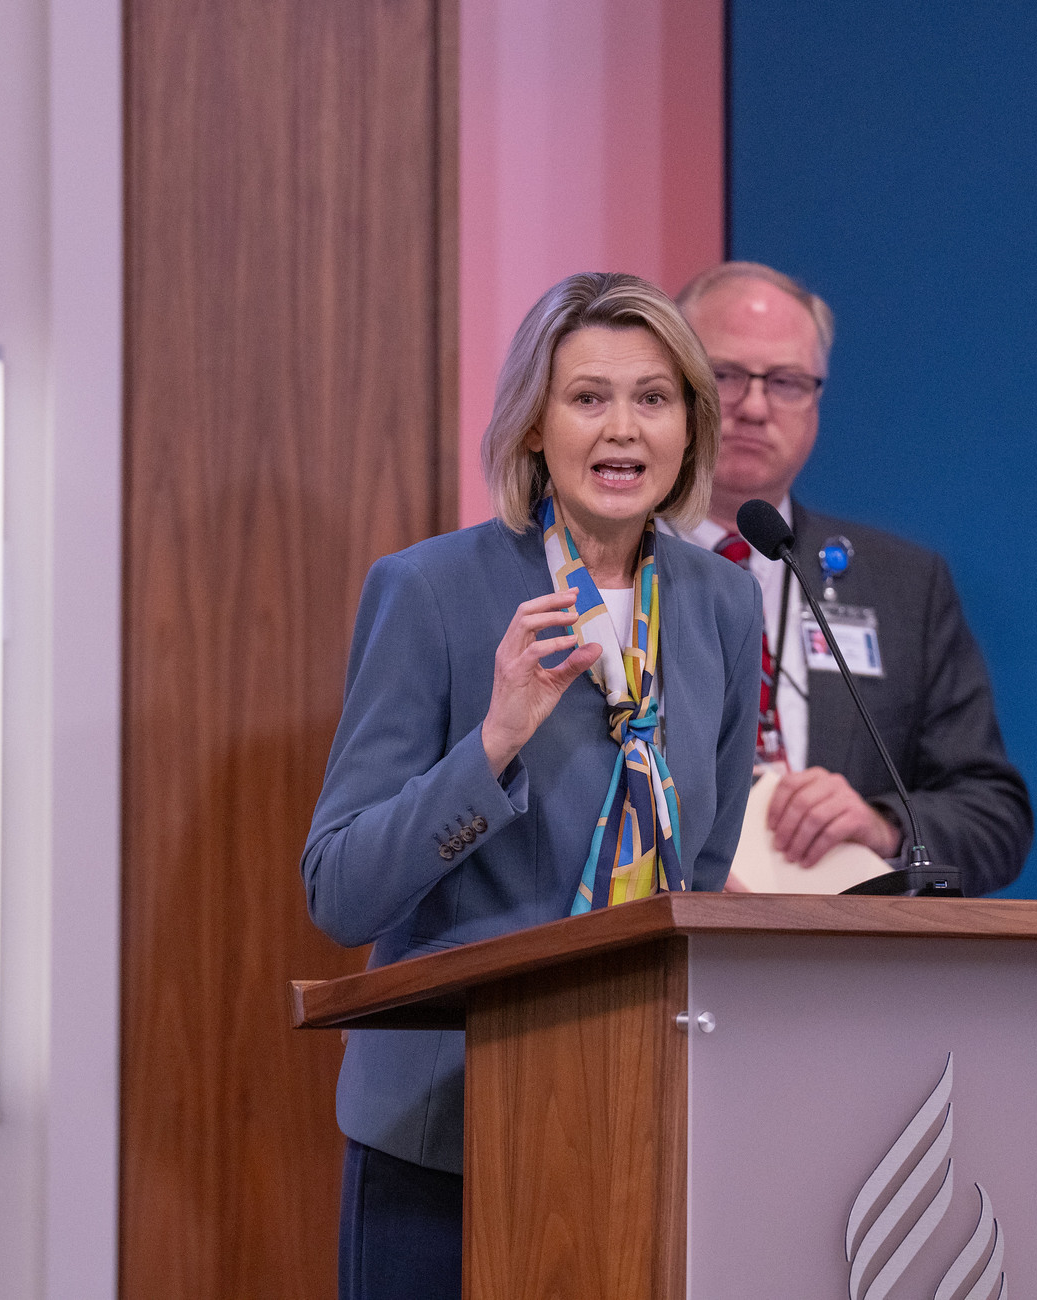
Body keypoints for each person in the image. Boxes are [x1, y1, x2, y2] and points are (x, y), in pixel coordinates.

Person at [303, 272, 761, 1300]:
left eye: (653, 397)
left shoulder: (722, 603)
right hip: (448, 1135)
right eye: (587, 396)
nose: (622, 428)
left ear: (688, 426)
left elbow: (704, 857)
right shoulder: (430, 592)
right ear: (531, 427)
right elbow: (339, 890)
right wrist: (496, 737)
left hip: (640, 1120)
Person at [665, 261, 1031, 897]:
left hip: (843, 959)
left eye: (785, 382)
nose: (753, 406)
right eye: (724, 375)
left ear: (817, 399)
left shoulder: (903, 586)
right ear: (671, 383)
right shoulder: (593, 570)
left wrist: (883, 823)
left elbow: (994, 816)